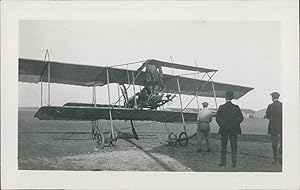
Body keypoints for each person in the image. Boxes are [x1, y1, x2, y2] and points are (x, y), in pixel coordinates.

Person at [216, 91, 244, 167]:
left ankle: (223, 162)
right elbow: (241, 118)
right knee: (234, 146)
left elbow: (217, 118)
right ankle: (234, 163)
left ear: (225, 98)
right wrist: (235, 124)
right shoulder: (236, 107)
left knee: (223, 146)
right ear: (232, 98)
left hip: (224, 129)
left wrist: (222, 125)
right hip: (234, 129)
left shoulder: (221, 107)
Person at [265, 92, 282, 164]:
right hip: (281, 126)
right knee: (282, 142)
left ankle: (275, 159)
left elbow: (267, 116)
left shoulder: (270, 106)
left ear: (272, 97)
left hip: (273, 126)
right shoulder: (282, 105)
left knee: (274, 143)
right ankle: (280, 156)